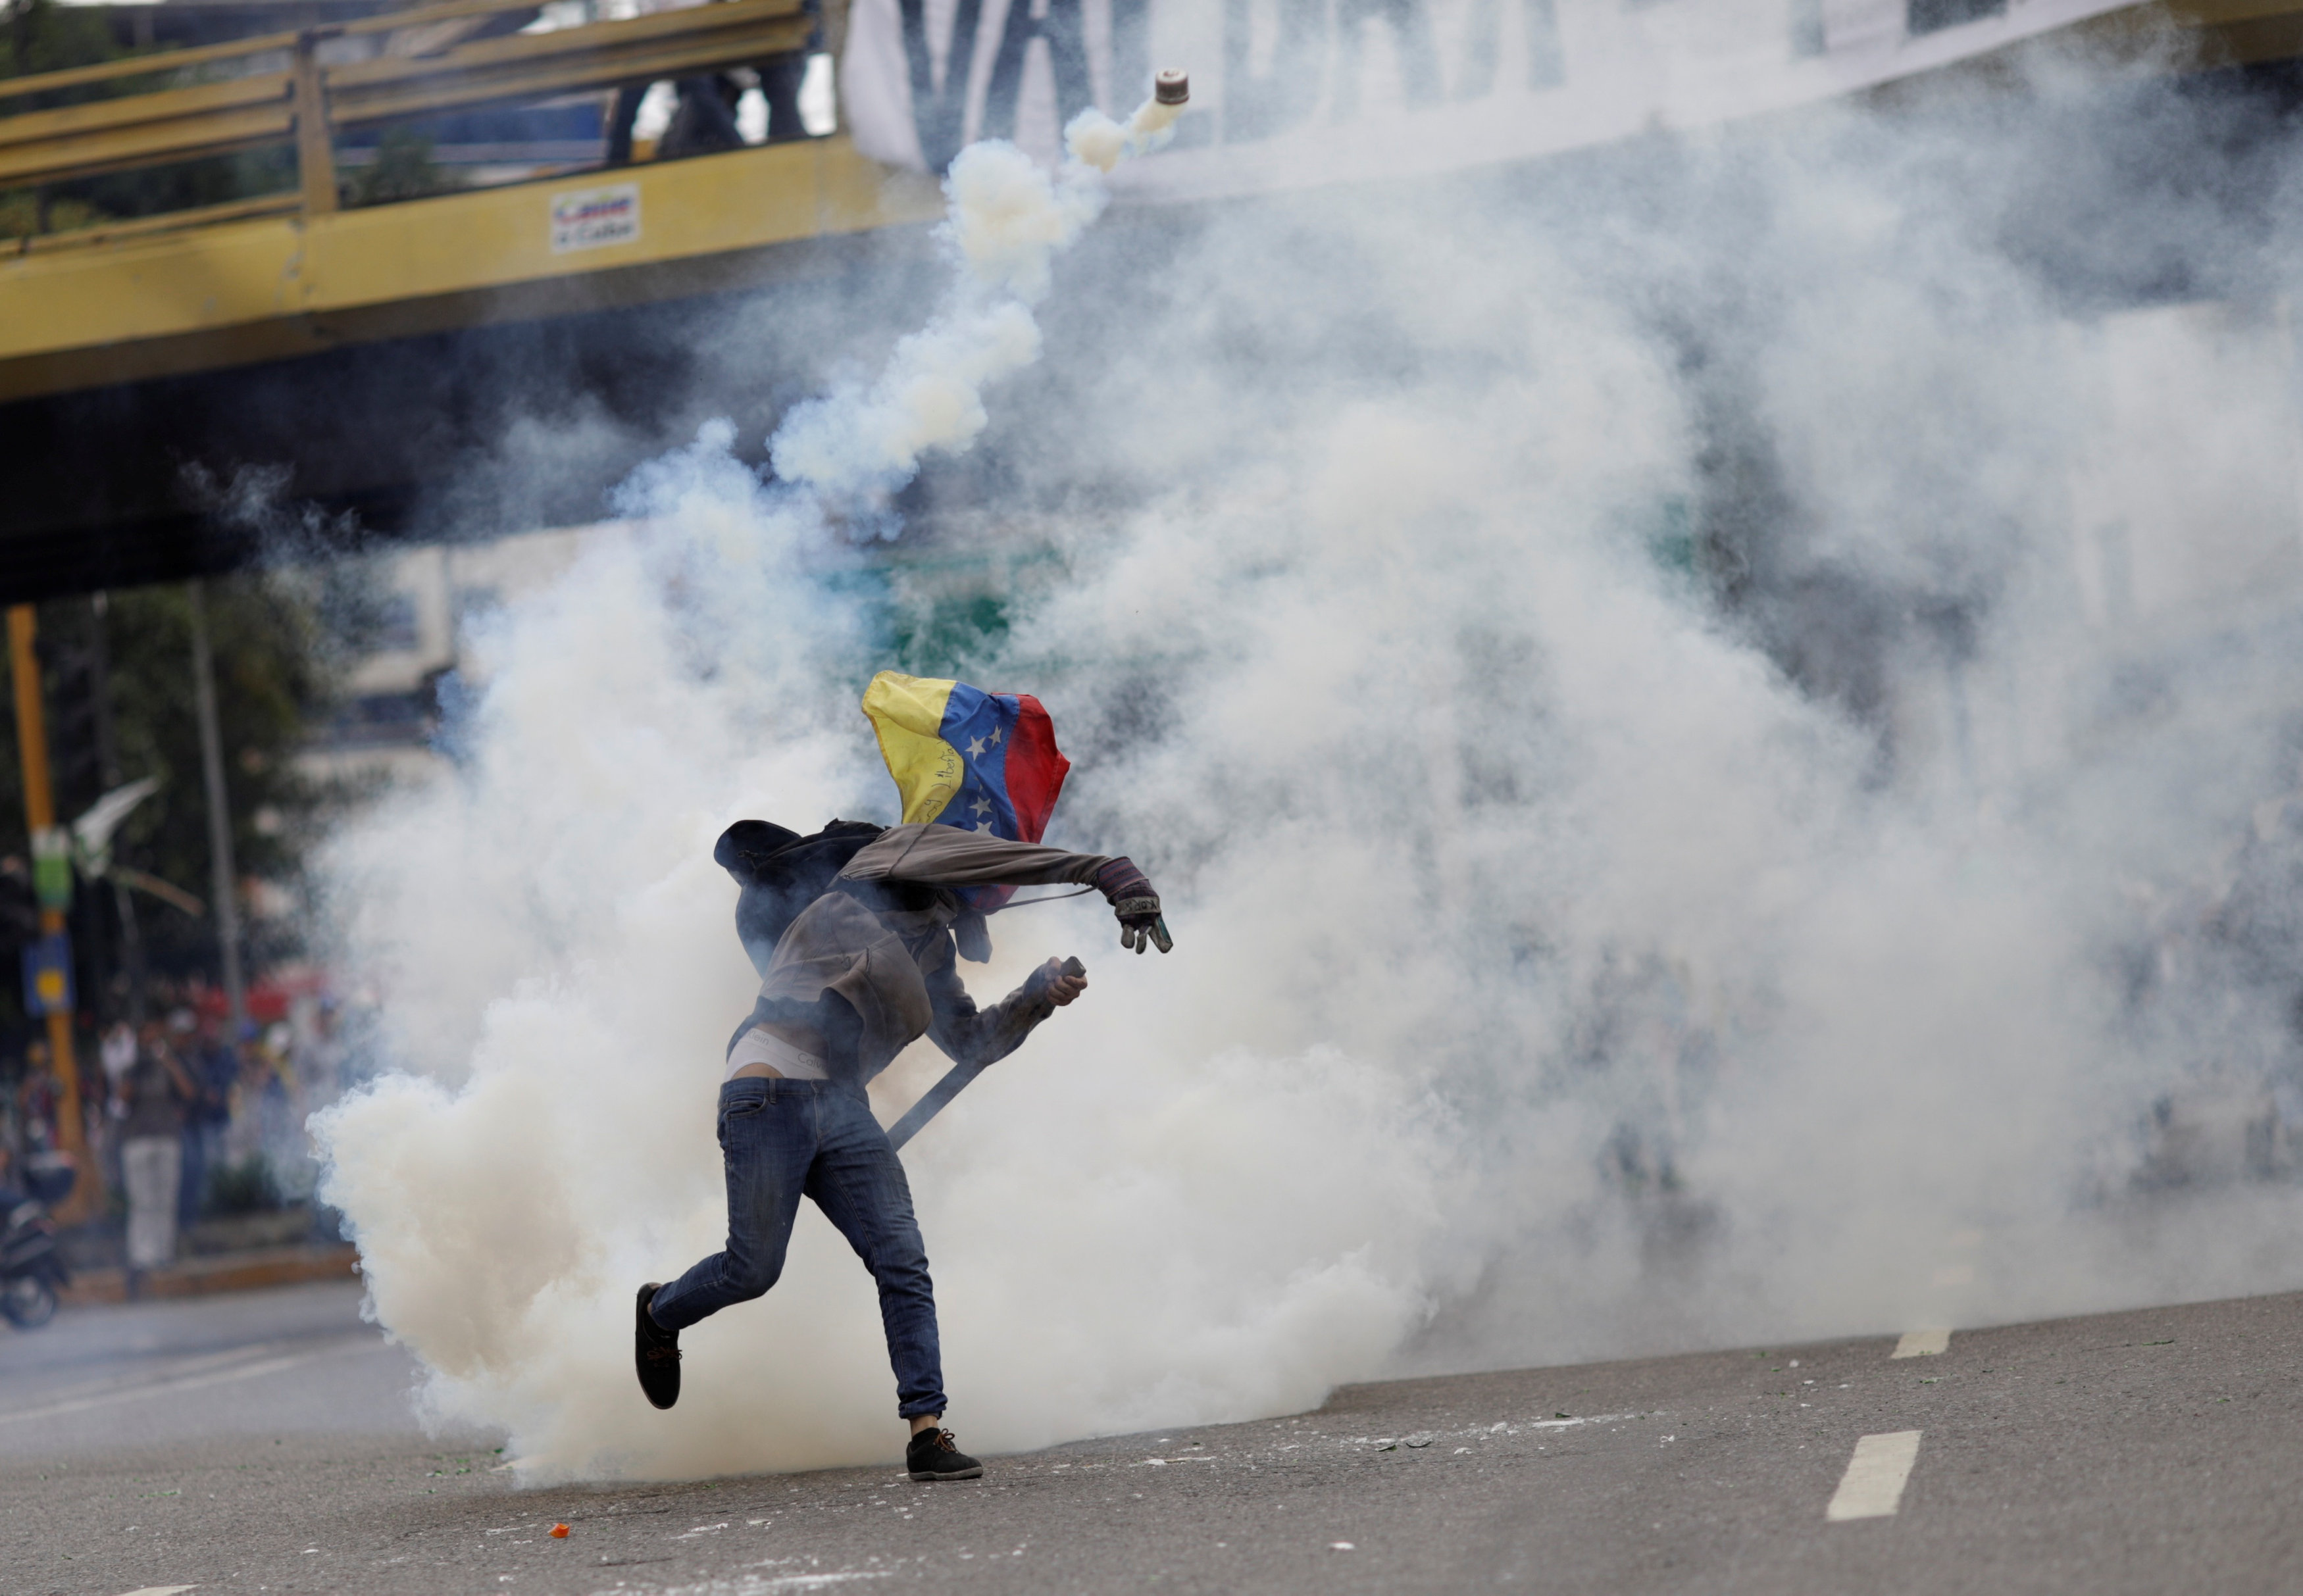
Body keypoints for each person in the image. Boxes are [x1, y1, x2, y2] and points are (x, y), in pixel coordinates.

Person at [635, 820, 1173, 1482]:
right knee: (753, 1269)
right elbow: (991, 855)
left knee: (901, 1257)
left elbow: (972, 1042)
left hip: (841, 1105)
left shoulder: (933, 953)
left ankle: (926, 1429)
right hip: (768, 1087)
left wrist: (1036, 997)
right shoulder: (885, 858)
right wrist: (1106, 871)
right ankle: (660, 1310)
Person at [116, 1022, 197, 1290]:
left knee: (166, 1199)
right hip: (138, 1140)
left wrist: (170, 1064)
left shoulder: (168, 1064)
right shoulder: (131, 1067)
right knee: (143, 1202)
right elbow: (120, 1101)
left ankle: (163, 1254)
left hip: (167, 1137)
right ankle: (141, 1257)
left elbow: (188, 1093)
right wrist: (135, 1070)